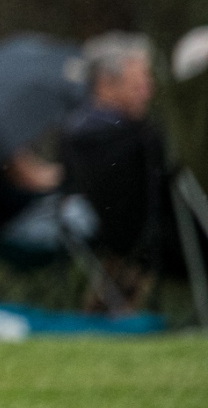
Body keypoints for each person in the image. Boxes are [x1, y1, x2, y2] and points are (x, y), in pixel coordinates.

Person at [61, 31, 171, 307]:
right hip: (151, 241)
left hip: (112, 242)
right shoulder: (137, 137)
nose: (148, 91)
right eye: (139, 83)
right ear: (106, 84)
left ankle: (108, 308)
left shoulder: (74, 131)